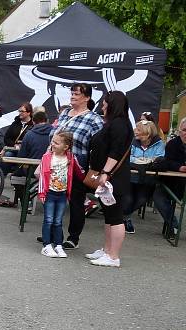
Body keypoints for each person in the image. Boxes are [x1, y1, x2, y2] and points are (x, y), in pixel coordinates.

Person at [49, 83, 103, 249]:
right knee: (54, 199)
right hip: (56, 162)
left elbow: (98, 147)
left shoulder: (95, 120)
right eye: (72, 93)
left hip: (77, 165)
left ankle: (73, 237)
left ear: (87, 98)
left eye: (77, 94)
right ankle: (52, 234)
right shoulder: (64, 113)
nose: (72, 96)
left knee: (76, 202)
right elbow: (53, 136)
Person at [83, 91, 133, 268]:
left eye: (105, 103)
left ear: (112, 104)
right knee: (109, 215)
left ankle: (113, 256)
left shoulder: (119, 124)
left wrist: (105, 172)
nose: (102, 106)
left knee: (116, 216)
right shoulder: (113, 123)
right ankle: (107, 250)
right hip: (109, 176)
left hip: (113, 177)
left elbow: (116, 151)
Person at [37, 131, 84, 258]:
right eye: (52, 141)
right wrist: (41, 192)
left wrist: (89, 178)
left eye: (56, 143)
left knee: (58, 221)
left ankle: (58, 245)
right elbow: (42, 176)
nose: (53, 144)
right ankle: (47, 245)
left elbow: (79, 171)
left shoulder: (71, 157)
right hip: (50, 193)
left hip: (62, 194)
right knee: (48, 220)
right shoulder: (47, 157)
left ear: (66, 147)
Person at [124, 119, 165, 233]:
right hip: (131, 177)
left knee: (141, 200)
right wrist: (144, 161)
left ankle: (123, 216)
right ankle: (125, 219)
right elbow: (128, 157)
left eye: (138, 130)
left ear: (147, 133)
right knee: (128, 199)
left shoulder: (159, 144)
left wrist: (140, 161)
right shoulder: (132, 142)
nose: (135, 131)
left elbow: (159, 158)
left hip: (147, 179)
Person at [152, 117, 186, 238]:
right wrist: (180, 168)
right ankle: (174, 225)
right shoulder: (172, 144)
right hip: (171, 182)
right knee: (158, 197)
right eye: (184, 130)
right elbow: (166, 162)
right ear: (179, 130)